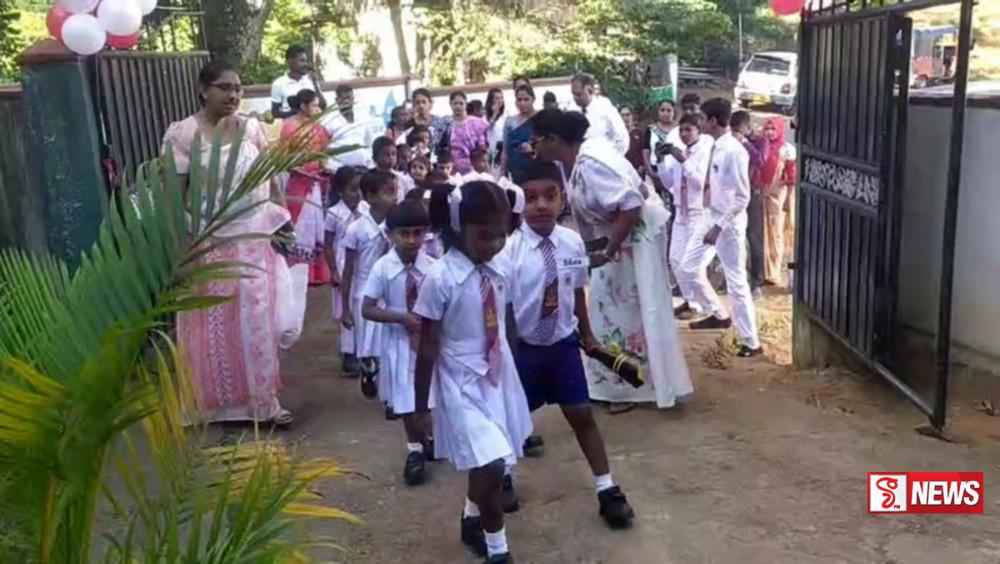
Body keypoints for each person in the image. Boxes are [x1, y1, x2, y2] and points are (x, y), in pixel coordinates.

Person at [502, 159, 636, 528]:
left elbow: (575, 289)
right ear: (519, 202)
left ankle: (607, 488)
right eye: (531, 198)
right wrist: (506, 353)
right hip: (524, 350)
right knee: (511, 419)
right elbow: (506, 307)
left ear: (563, 198)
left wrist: (587, 334)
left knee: (581, 416)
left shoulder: (571, 241)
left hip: (562, 346)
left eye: (550, 196)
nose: (541, 205)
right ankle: (503, 475)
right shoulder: (509, 251)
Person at [530, 109, 692, 410]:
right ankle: (617, 383)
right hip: (617, 239)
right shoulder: (579, 160)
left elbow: (629, 203)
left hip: (629, 241)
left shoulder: (591, 162)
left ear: (553, 139)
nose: (533, 148)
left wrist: (608, 250)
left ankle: (629, 386)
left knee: (621, 309)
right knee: (608, 307)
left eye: (536, 140)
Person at [163, 60, 295, 426]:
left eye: (238, 88)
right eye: (224, 87)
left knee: (258, 325)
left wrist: (282, 221)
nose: (233, 95)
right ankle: (210, 408)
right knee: (210, 328)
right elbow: (174, 198)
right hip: (208, 245)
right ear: (203, 90)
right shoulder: (183, 135)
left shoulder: (251, 129)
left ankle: (263, 404)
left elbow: (270, 180)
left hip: (254, 240)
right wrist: (182, 253)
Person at [413, 181, 533, 564]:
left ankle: (470, 516)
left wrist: (514, 365)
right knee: (491, 465)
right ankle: (498, 550)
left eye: (501, 235)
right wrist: (421, 407)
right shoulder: (440, 278)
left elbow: (505, 320)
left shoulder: (499, 268)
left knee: (488, 462)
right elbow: (427, 344)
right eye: (484, 235)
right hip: (459, 382)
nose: (494, 244)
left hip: (496, 377)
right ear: (456, 227)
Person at [362, 200, 438, 485]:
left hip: (428, 344)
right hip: (400, 345)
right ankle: (415, 450)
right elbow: (368, 308)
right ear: (390, 234)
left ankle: (429, 439)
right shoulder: (383, 268)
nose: (411, 240)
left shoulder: (433, 268)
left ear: (426, 233)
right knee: (408, 402)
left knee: (429, 398)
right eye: (404, 234)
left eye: (418, 233)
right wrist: (401, 318)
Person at [683, 98, 762, 358]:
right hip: (712, 215)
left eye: (703, 118)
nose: (700, 123)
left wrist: (719, 226)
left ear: (713, 121)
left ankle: (751, 341)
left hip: (728, 224)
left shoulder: (734, 151)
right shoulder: (714, 145)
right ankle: (718, 313)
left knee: (735, 280)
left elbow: (742, 197)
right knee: (688, 266)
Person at [342, 170, 399, 399]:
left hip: (388, 291)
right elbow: (348, 270)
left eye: (395, 192)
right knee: (367, 342)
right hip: (363, 292)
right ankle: (368, 369)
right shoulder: (356, 229)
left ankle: (389, 397)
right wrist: (345, 308)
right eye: (388, 192)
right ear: (370, 196)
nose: (394, 197)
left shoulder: (395, 227)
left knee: (388, 342)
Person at [656, 113, 713, 320]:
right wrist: (661, 161)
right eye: (681, 130)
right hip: (681, 211)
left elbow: (700, 183)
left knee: (693, 264)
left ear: (698, 131)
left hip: (698, 212)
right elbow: (668, 183)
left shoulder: (704, 151)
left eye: (688, 130)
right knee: (675, 259)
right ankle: (691, 301)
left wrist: (684, 161)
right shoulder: (678, 152)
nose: (684, 134)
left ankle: (707, 306)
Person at [280, 89, 333, 287]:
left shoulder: (319, 129)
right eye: (315, 105)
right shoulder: (289, 128)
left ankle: (317, 272)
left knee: (317, 226)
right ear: (303, 106)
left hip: (317, 184)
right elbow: (284, 161)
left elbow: (323, 155)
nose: (318, 109)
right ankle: (299, 270)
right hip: (298, 185)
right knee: (299, 226)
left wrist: (324, 169)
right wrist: (304, 173)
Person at [325, 166, 370, 376]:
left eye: (360, 189)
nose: (357, 194)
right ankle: (348, 351)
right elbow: (327, 245)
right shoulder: (334, 213)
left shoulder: (365, 210)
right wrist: (333, 270)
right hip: (342, 264)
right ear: (341, 191)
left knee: (360, 305)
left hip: (360, 263)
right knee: (346, 309)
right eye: (352, 189)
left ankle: (363, 349)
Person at [731, 110, 769, 296]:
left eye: (739, 130)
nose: (736, 134)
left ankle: (757, 281)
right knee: (732, 237)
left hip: (753, 193)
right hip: (733, 193)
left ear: (747, 127)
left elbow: (760, 160)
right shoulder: (728, 143)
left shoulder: (760, 141)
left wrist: (745, 143)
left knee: (754, 238)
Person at [760, 118, 796, 285]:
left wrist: (789, 201)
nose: (769, 132)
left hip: (777, 196)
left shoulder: (787, 150)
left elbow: (791, 178)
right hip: (760, 194)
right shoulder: (760, 147)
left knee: (775, 232)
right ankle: (761, 270)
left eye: (773, 129)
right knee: (760, 231)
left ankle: (773, 272)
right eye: (767, 128)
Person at [323, 84, 381, 170]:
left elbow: (369, 141)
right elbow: (323, 145)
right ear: (336, 100)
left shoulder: (362, 117)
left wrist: (369, 159)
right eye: (343, 98)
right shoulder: (329, 120)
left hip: (363, 166)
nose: (346, 101)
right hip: (338, 168)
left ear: (353, 99)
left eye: (349, 98)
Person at [570, 73, 629, 154]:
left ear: (589, 91)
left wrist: (612, 158)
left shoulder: (604, 108)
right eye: (573, 94)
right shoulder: (572, 109)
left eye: (578, 94)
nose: (575, 98)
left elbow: (622, 138)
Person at [270, 44, 326, 119]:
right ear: (290, 61)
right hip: (291, 124)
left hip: (313, 123)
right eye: (301, 61)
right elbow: (275, 113)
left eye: (306, 61)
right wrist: (297, 112)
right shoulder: (278, 84)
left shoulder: (310, 81)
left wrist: (315, 83)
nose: (305, 64)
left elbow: (322, 106)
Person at [446, 90, 491, 175]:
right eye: (455, 103)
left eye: (461, 103)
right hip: (452, 170)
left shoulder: (477, 123)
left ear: (465, 104)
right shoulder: (446, 124)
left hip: (475, 168)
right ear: (450, 104)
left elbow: (482, 148)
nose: (458, 106)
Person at [501, 85, 537, 184]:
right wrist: (503, 172)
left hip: (536, 167)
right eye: (519, 100)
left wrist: (533, 150)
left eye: (526, 99)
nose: (522, 103)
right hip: (516, 168)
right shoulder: (510, 121)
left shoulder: (540, 118)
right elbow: (505, 150)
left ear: (533, 99)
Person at [642, 100, 679, 184]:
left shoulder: (679, 129)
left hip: (674, 171)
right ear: (658, 112)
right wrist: (650, 170)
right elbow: (646, 150)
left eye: (669, 110)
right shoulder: (651, 129)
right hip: (654, 169)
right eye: (662, 110)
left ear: (674, 112)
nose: (665, 113)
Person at [372, 136, 413, 200]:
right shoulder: (370, 179)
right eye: (386, 154)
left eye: (393, 154)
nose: (391, 157)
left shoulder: (402, 179)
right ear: (375, 157)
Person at [618, 105, 644, 176]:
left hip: (637, 172)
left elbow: (644, 151)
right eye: (622, 115)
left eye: (627, 115)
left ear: (632, 116)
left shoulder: (639, 133)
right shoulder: (616, 134)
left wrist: (642, 165)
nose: (625, 118)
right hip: (621, 172)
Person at [485, 88, 506, 170]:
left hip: (503, 147)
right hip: (491, 149)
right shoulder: (485, 115)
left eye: (501, 98)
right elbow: (488, 127)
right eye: (496, 98)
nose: (499, 100)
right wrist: (495, 114)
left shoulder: (506, 114)